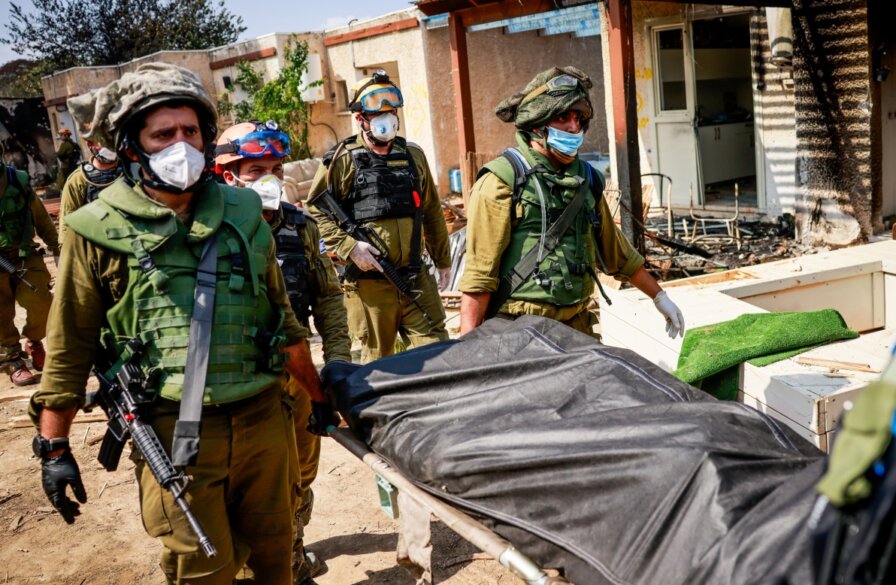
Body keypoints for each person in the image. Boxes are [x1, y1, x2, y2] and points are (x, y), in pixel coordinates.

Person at [30, 63, 338, 585]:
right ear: (133, 146)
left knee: (276, 557)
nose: (182, 144)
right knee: (204, 570)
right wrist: (53, 448)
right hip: (174, 435)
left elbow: (284, 325)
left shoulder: (245, 213)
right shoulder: (94, 229)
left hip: (265, 420)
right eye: (163, 134)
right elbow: (68, 349)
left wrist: (320, 399)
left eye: (190, 131)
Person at [215, 120, 351, 585]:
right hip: (237, 384)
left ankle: (290, 557)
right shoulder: (206, 229)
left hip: (298, 376)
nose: (271, 178)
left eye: (276, 167)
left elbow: (329, 297)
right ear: (228, 174)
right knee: (242, 490)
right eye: (257, 169)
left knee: (300, 477)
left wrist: (337, 361)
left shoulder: (301, 226)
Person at [459, 66, 685, 338]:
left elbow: (618, 255)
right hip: (519, 329)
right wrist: (467, 344)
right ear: (537, 124)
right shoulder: (502, 181)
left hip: (577, 324)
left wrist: (659, 297)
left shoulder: (586, 179)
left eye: (579, 118)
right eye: (563, 117)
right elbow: (479, 276)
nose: (573, 127)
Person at [307, 70, 452, 363]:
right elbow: (316, 212)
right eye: (378, 114)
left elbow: (432, 212)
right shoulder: (342, 160)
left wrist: (443, 261)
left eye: (391, 112)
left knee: (439, 357)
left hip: (415, 278)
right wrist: (350, 247)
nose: (388, 119)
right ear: (361, 119)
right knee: (378, 369)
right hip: (369, 287)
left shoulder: (413, 156)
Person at [0, 164, 58, 386]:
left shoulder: (17, 180)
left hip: (23, 254)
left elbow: (41, 218)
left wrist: (57, 247)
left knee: (42, 302)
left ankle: (34, 340)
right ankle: (12, 360)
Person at [58, 139, 123, 246]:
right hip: (98, 247)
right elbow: (67, 221)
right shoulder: (78, 179)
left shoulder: (133, 171)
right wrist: (66, 251)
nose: (108, 148)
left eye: (110, 141)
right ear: (90, 145)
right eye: (101, 143)